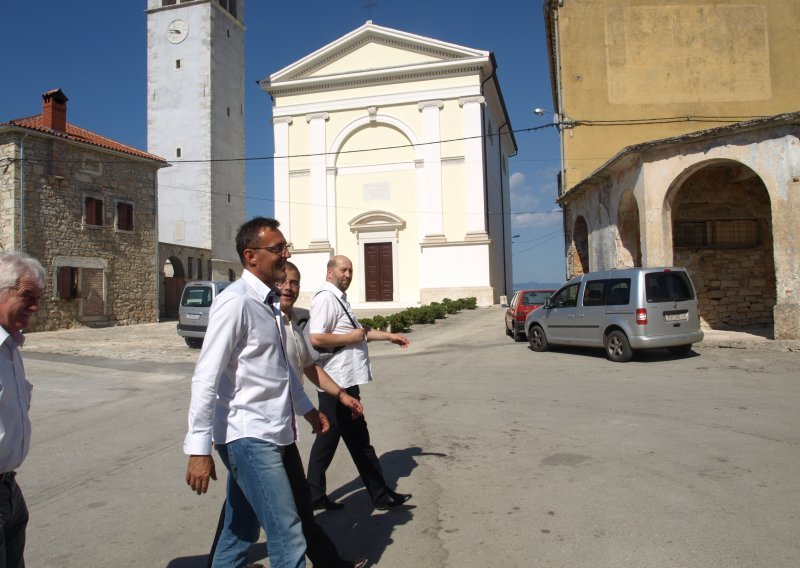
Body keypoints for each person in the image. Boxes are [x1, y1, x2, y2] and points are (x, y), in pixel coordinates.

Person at [184, 217, 356, 568]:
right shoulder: (236, 302)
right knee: (289, 535)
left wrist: (308, 410)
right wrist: (198, 447)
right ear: (251, 256)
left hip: (276, 433)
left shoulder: (271, 306)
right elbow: (206, 376)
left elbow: (282, 370)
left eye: (284, 247)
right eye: (277, 249)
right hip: (248, 436)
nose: (286, 254)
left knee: (239, 530)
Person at [307, 255, 412, 511]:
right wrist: (350, 336)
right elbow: (316, 338)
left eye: (351, 270)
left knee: (337, 442)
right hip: (337, 384)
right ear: (330, 272)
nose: (348, 274)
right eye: (343, 270)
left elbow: (359, 331)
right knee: (347, 442)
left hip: (344, 382)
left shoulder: (338, 299)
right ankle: (378, 494)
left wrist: (389, 336)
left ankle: (318, 496)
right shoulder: (325, 298)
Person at [0, 252, 45, 568]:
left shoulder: (11, 347)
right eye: (26, 296)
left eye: (38, 298)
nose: (34, 307)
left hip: (9, 489)